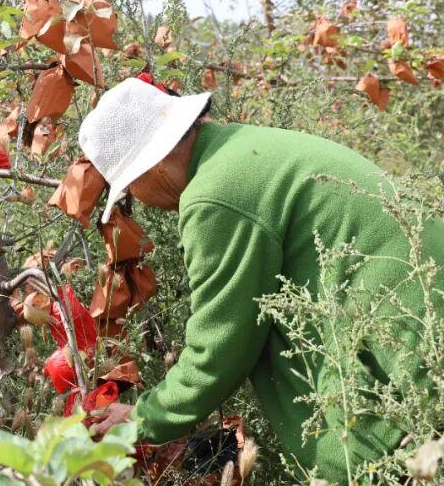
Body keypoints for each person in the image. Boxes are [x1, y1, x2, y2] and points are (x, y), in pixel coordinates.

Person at [80, 77, 441, 483]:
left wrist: (143, 419)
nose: (140, 200)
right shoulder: (242, 148)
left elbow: (221, 347)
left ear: (155, 165)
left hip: (413, 354)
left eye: (131, 187)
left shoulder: (214, 194)